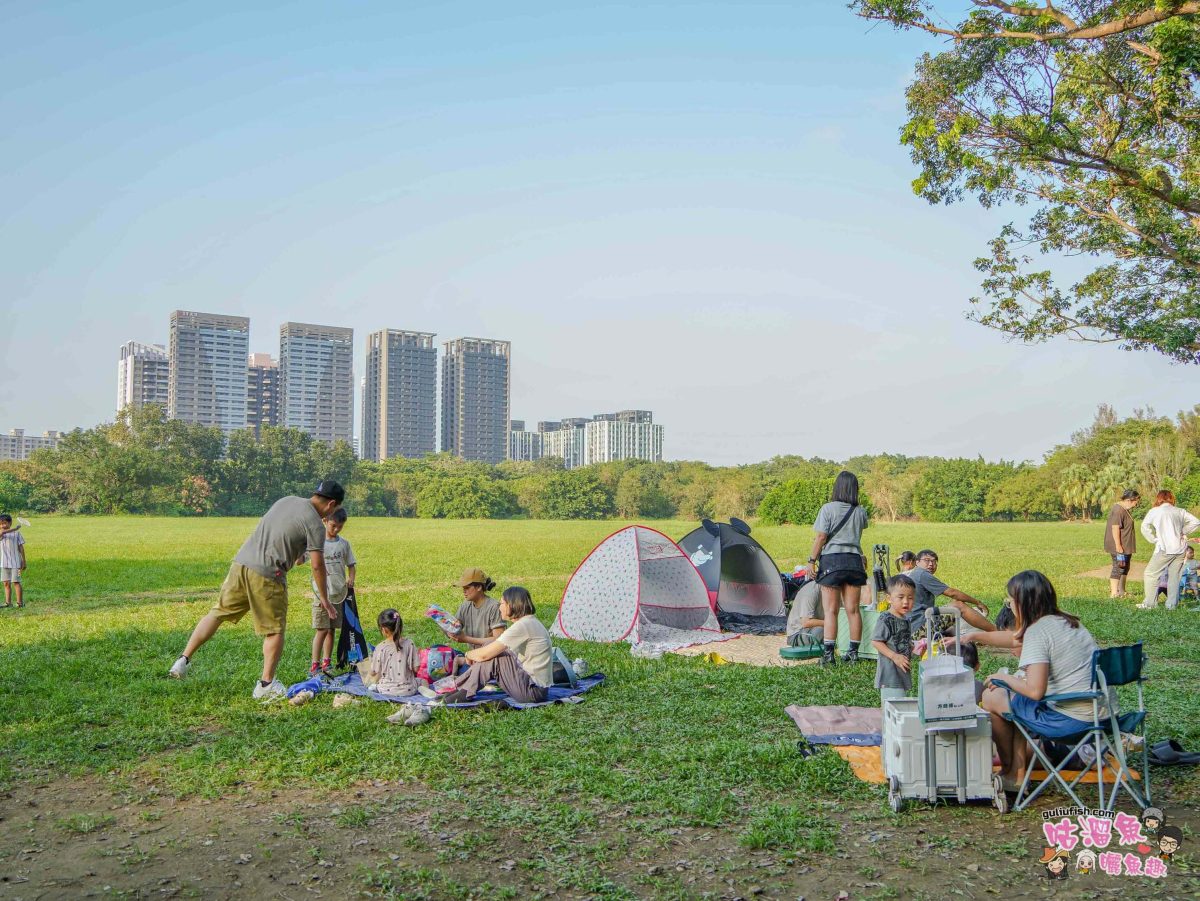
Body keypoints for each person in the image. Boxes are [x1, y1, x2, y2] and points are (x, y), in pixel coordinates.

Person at [168, 481, 344, 699]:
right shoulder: (316, 525)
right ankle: (265, 684)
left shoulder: (286, 500)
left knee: (217, 613)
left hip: (241, 564)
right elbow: (318, 565)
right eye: (334, 511)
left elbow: (283, 535)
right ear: (332, 504)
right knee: (275, 630)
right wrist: (325, 600)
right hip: (268, 574)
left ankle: (182, 661)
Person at [981, 571, 1100, 786]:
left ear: (1021, 602)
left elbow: (1035, 691)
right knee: (1015, 704)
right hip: (1102, 717)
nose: (1009, 605)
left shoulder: (1038, 632)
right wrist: (972, 636)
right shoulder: (1071, 623)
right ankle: (1015, 774)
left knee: (992, 696)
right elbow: (1014, 639)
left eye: (1009, 601)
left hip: (1071, 721)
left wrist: (1002, 678)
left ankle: (1010, 772)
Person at [441, 586, 552, 704]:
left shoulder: (523, 626)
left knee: (495, 657)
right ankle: (462, 688)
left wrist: (468, 654)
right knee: (492, 645)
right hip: (532, 685)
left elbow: (484, 656)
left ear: (512, 605)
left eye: (502, 603)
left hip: (532, 691)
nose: (500, 607)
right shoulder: (528, 622)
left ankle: (464, 691)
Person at [809, 471, 869, 665]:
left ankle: (828, 656)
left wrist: (811, 560)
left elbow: (821, 537)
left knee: (831, 611)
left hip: (831, 562)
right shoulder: (860, 511)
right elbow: (858, 533)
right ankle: (853, 653)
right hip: (854, 561)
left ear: (837, 487)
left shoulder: (827, 509)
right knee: (853, 610)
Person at [904, 550, 995, 639]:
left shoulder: (915, 573)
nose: (931, 564)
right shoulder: (922, 574)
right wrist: (977, 602)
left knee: (952, 610)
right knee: (959, 606)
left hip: (913, 627)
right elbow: (952, 593)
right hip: (918, 629)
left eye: (934, 561)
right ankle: (996, 631)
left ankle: (959, 638)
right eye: (927, 560)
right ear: (917, 562)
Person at [308, 508, 356, 676]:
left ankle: (326, 662)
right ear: (325, 521)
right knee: (321, 629)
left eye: (340, 527)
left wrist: (351, 578)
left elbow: (351, 564)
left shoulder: (344, 544)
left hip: (337, 593)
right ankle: (315, 665)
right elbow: (301, 560)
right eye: (333, 526)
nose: (336, 530)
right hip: (321, 594)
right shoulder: (317, 543)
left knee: (332, 629)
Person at [1138, 490, 1200, 611]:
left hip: (1165, 548)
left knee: (1151, 574)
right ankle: (1171, 605)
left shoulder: (1155, 511)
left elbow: (1144, 527)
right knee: (1175, 577)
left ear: (1158, 499)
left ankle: (1150, 604)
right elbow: (1196, 522)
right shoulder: (1179, 511)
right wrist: (1183, 531)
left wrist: (1153, 539)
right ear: (1171, 499)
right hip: (1181, 548)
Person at [871, 574, 915, 700]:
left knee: (899, 705)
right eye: (900, 597)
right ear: (889, 598)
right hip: (890, 673)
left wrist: (912, 646)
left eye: (910, 598)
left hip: (901, 671)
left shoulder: (905, 619)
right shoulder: (886, 619)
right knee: (893, 707)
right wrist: (894, 656)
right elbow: (876, 642)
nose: (906, 602)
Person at [452, 568, 505, 648]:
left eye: (467, 587)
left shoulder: (494, 607)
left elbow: (499, 641)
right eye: (463, 588)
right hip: (474, 656)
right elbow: (454, 628)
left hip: (492, 656)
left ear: (479, 587)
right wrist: (440, 620)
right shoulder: (465, 606)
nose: (464, 591)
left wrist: (466, 639)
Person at [1104, 489, 1140, 599]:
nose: (1136, 504)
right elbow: (1115, 528)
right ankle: (1114, 593)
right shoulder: (1118, 510)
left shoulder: (1125, 509)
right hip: (1119, 546)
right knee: (1118, 567)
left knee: (1125, 567)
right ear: (1129, 500)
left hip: (1126, 545)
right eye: (1136, 501)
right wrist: (1118, 545)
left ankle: (1122, 590)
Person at [785, 578, 824, 647]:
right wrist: (832, 623)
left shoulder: (836, 589)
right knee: (823, 631)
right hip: (797, 633)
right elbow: (806, 622)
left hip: (817, 628)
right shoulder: (811, 592)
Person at [0, 514, 26, 609]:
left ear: (10, 523)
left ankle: (20, 603)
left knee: (16, 582)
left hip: (16, 563)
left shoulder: (17, 534)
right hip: (4, 563)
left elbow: (21, 548)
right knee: (6, 583)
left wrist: (23, 561)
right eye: (0, 524)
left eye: (4, 523)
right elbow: (2, 533)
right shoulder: (1, 533)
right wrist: (16, 528)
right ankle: (8, 603)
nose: (2, 525)